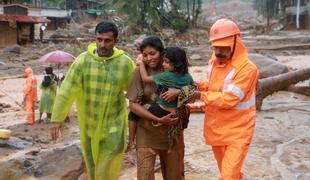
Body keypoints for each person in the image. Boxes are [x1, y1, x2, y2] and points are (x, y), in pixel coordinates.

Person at [50, 21, 136, 180]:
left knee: (104, 170)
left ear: (116, 41)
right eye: (99, 39)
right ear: (95, 39)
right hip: (89, 126)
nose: (102, 44)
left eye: (107, 40)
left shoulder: (124, 63)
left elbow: (136, 91)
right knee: (92, 169)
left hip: (114, 127)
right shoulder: (83, 61)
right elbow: (67, 89)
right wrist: (57, 118)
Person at [191, 18, 259, 180]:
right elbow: (212, 88)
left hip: (238, 132)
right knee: (230, 174)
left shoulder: (248, 69)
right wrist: (197, 86)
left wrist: (199, 95)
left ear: (236, 43)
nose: (219, 52)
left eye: (224, 48)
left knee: (228, 176)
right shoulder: (213, 63)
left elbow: (229, 99)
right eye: (216, 48)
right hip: (216, 129)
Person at [127, 36, 185, 180]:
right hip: (146, 133)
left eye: (153, 53)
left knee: (175, 176)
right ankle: (131, 142)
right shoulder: (139, 73)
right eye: (145, 55)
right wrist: (158, 118)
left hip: (172, 134)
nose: (148, 58)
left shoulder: (175, 71)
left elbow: (195, 92)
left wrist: (178, 92)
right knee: (145, 176)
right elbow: (133, 105)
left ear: (162, 53)